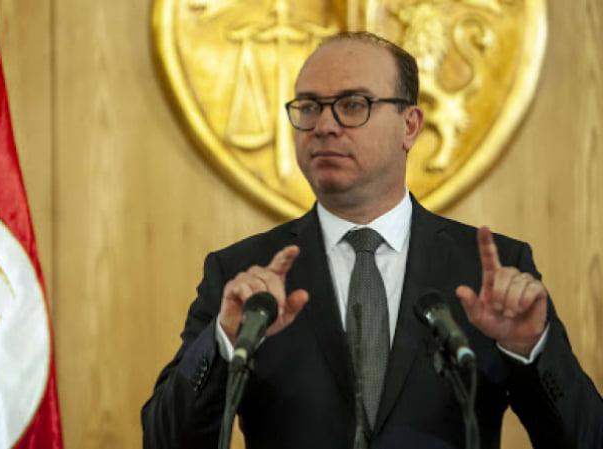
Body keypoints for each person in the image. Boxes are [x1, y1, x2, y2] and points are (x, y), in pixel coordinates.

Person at [141, 31, 603, 449]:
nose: (324, 125)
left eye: (352, 104)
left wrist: (530, 349)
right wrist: (224, 343)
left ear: (410, 125)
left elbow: (586, 438)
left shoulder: (489, 271)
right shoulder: (243, 277)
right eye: (309, 107)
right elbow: (163, 439)